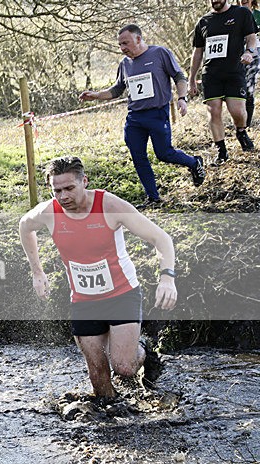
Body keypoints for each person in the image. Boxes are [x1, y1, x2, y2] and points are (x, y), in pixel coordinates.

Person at [18, 156, 177, 398]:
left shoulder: (109, 206)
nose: (63, 197)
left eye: (69, 188)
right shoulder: (49, 212)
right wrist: (37, 272)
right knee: (99, 380)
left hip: (122, 294)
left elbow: (161, 238)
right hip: (84, 300)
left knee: (124, 367)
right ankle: (113, 416)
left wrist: (167, 277)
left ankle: (144, 352)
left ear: (84, 181)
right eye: (57, 191)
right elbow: (24, 226)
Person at [80, 25, 206, 209]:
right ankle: (153, 197)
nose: (122, 48)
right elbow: (117, 89)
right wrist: (96, 95)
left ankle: (194, 162)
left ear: (138, 39)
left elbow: (179, 76)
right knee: (138, 157)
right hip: (135, 117)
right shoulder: (125, 64)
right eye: (120, 44)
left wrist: (182, 98)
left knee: (164, 153)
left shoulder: (160, 53)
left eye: (125, 43)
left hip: (157, 113)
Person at [190, 0, 259, 163]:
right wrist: (191, 79)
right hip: (211, 74)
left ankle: (241, 131)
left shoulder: (241, 13)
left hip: (234, 71)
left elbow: (251, 38)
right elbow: (197, 52)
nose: (215, 1)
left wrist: (249, 52)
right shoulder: (203, 22)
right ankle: (221, 151)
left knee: (238, 112)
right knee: (213, 110)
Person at [239, 0, 260, 127]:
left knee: (249, 88)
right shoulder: (234, 13)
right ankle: (239, 120)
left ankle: (246, 125)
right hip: (237, 55)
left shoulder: (258, 15)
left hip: (254, 54)